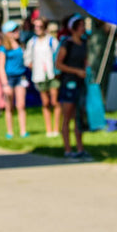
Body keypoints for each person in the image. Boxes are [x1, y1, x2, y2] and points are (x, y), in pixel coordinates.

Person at [55, 14, 91, 160]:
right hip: (68, 83)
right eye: (81, 25)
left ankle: (80, 148)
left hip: (80, 83)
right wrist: (76, 71)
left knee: (78, 116)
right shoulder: (66, 44)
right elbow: (58, 64)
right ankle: (68, 149)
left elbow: (85, 60)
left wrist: (86, 69)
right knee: (67, 116)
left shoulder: (83, 43)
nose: (84, 28)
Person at [24, 18, 61, 137]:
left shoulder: (52, 40)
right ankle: (48, 129)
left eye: (40, 26)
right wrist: (33, 66)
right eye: (36, 26)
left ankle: (57, 128)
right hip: (39, 75)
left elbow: (58, 55)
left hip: (52, 74)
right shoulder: (32, 42)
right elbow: (27, 59)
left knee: (55, 101)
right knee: (45, 102)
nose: (37, 29)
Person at [0, 20, 29, 139]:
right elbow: (0, 67)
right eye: (14, 30)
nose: (17, 32)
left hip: (20, 77)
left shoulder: (21, 45)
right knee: (9, 106)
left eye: (17, 30)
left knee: (21, 105)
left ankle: (23, 131)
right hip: (9, 79)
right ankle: (10, 131)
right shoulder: (3, 48)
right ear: (8, 33)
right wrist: (5, 84)